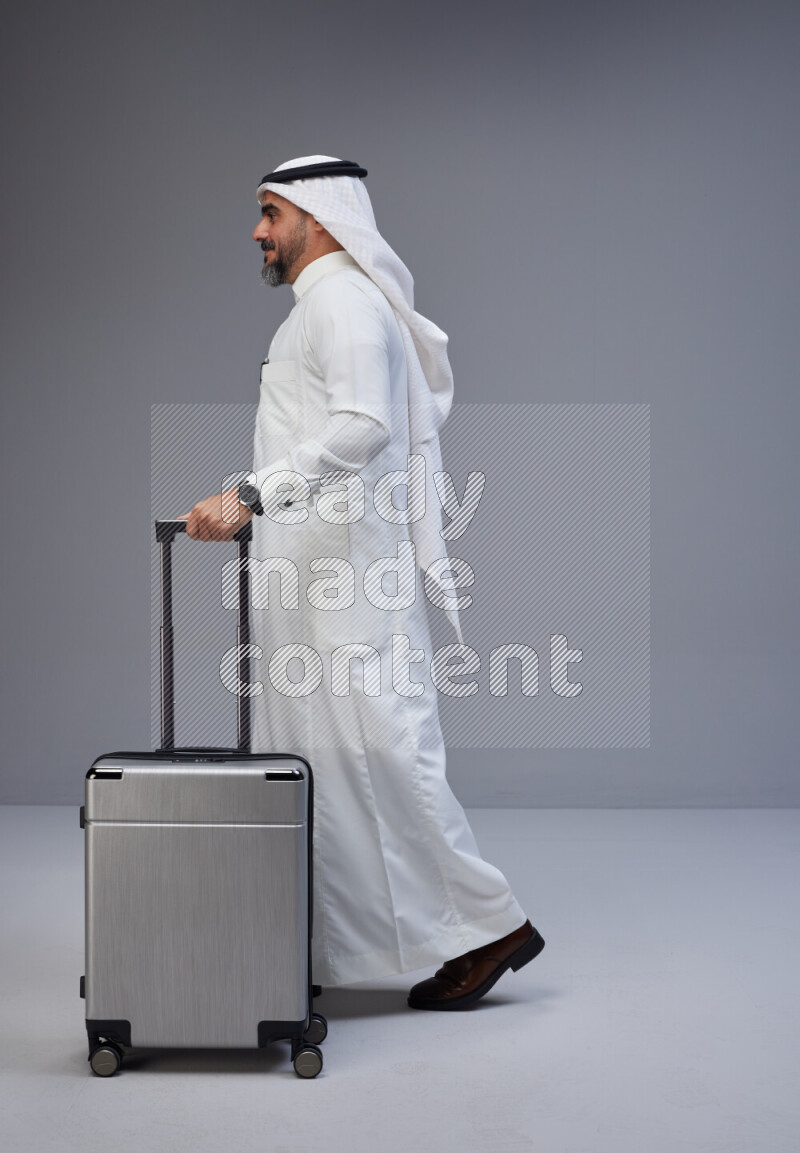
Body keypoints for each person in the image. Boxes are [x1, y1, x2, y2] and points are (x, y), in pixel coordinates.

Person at [180, 155, 545, 1009]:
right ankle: (316, 949)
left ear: (320, 216)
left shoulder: (343, 303)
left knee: (385, 752)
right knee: (320, 763)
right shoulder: (321, 309)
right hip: (313, 579)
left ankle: (490, 927)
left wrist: (249, 495)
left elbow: (364, 428)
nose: (259, 231)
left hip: (348, 582)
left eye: (271, 213)